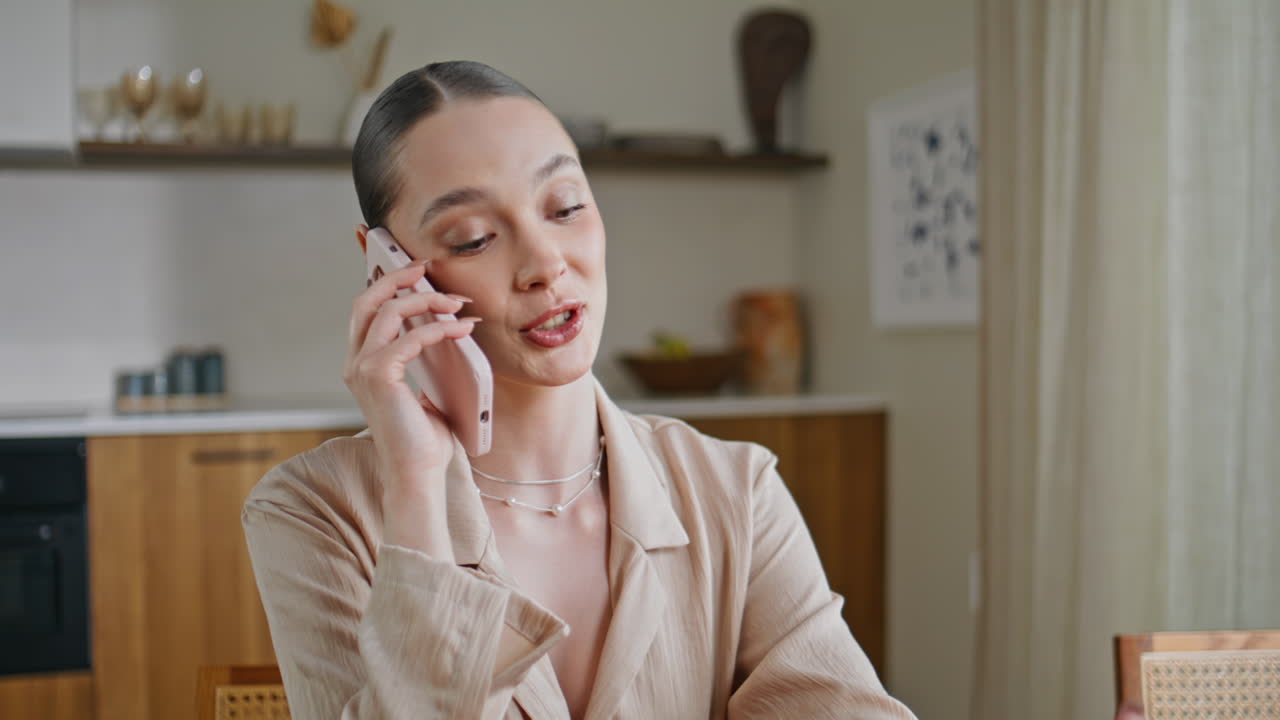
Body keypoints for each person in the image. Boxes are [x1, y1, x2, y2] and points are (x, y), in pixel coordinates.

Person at [242, 60, 916, 720]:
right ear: (386, 265)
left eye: (565, 206)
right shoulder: (312, 512)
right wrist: (416, 489)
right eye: (474, 239)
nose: (545, 264)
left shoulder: (736, 491)